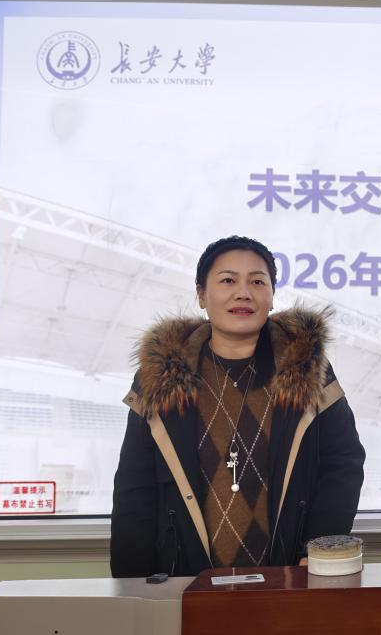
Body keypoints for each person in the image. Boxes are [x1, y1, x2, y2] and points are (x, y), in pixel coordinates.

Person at [111, 236, 365, 577]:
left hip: (286, 579)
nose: (243, 293)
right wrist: (132, 585)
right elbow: (134, 485)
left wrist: (316, 551)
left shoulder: (307, 369)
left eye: (257, 282)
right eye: (228, 280)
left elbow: (343, 464)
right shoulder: (160, 376)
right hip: (185, 581)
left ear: (271, 297)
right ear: (202, 295)